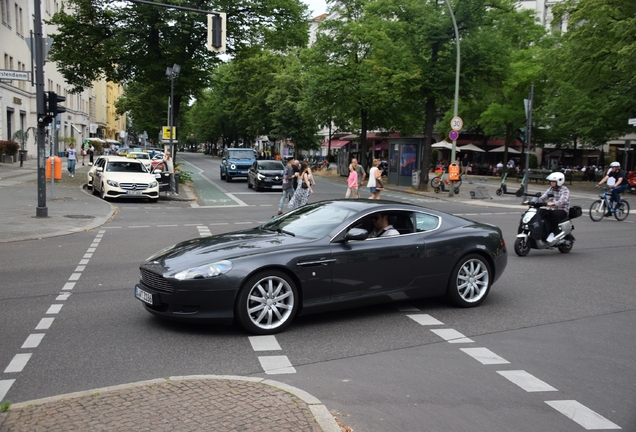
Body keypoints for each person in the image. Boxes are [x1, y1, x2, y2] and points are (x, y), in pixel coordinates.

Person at [526, 172, 570, 242]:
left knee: (555, 215)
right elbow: (542, 198)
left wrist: (554, 203)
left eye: (553, 181)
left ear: (559, 181)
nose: (551, 183)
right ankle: (541, 232)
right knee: (539, 213)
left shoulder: (564, 190)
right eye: (551, 181)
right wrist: (532, 201)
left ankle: (552, 233)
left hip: (562, 210)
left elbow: (563, 200)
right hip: (551, 209)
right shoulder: (550, 189)